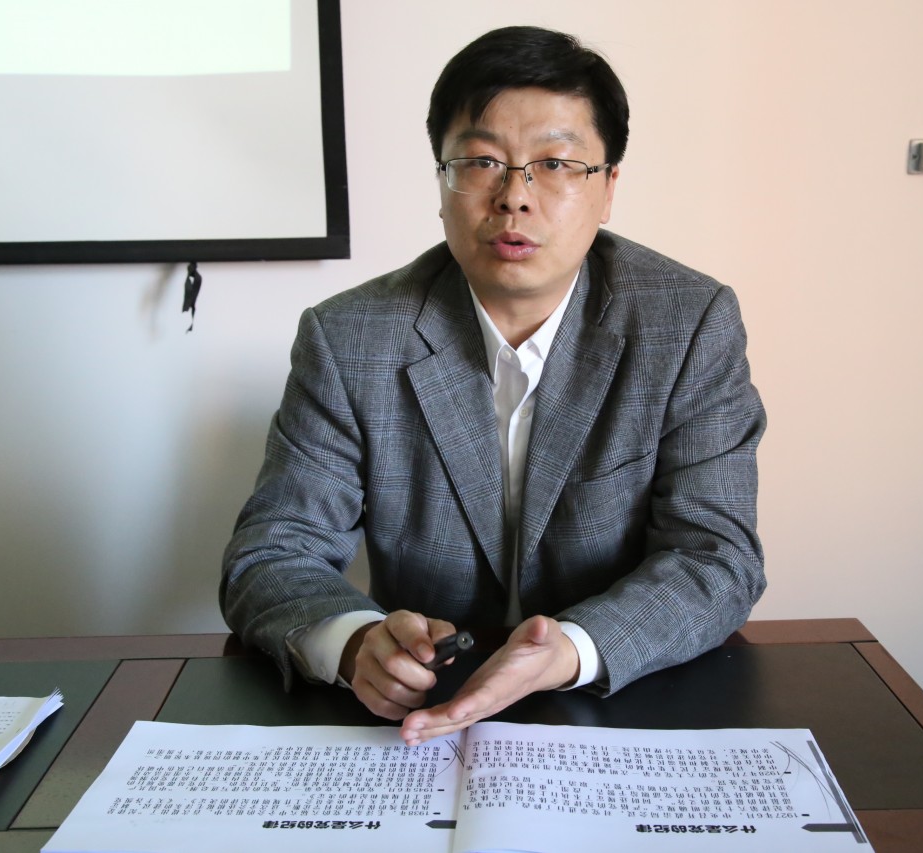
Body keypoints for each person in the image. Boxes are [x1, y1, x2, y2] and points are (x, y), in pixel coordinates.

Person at [221, 25, 765, 747]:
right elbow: (272, 552)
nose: (515, 198)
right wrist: (354, 643)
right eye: (481, 162)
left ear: (607, 189)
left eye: (555, 164)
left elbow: (717, 556)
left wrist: (572, 648)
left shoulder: (688, 324)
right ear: (442, 182)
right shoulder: (350, 337)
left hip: (620, 698)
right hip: (423, 710)